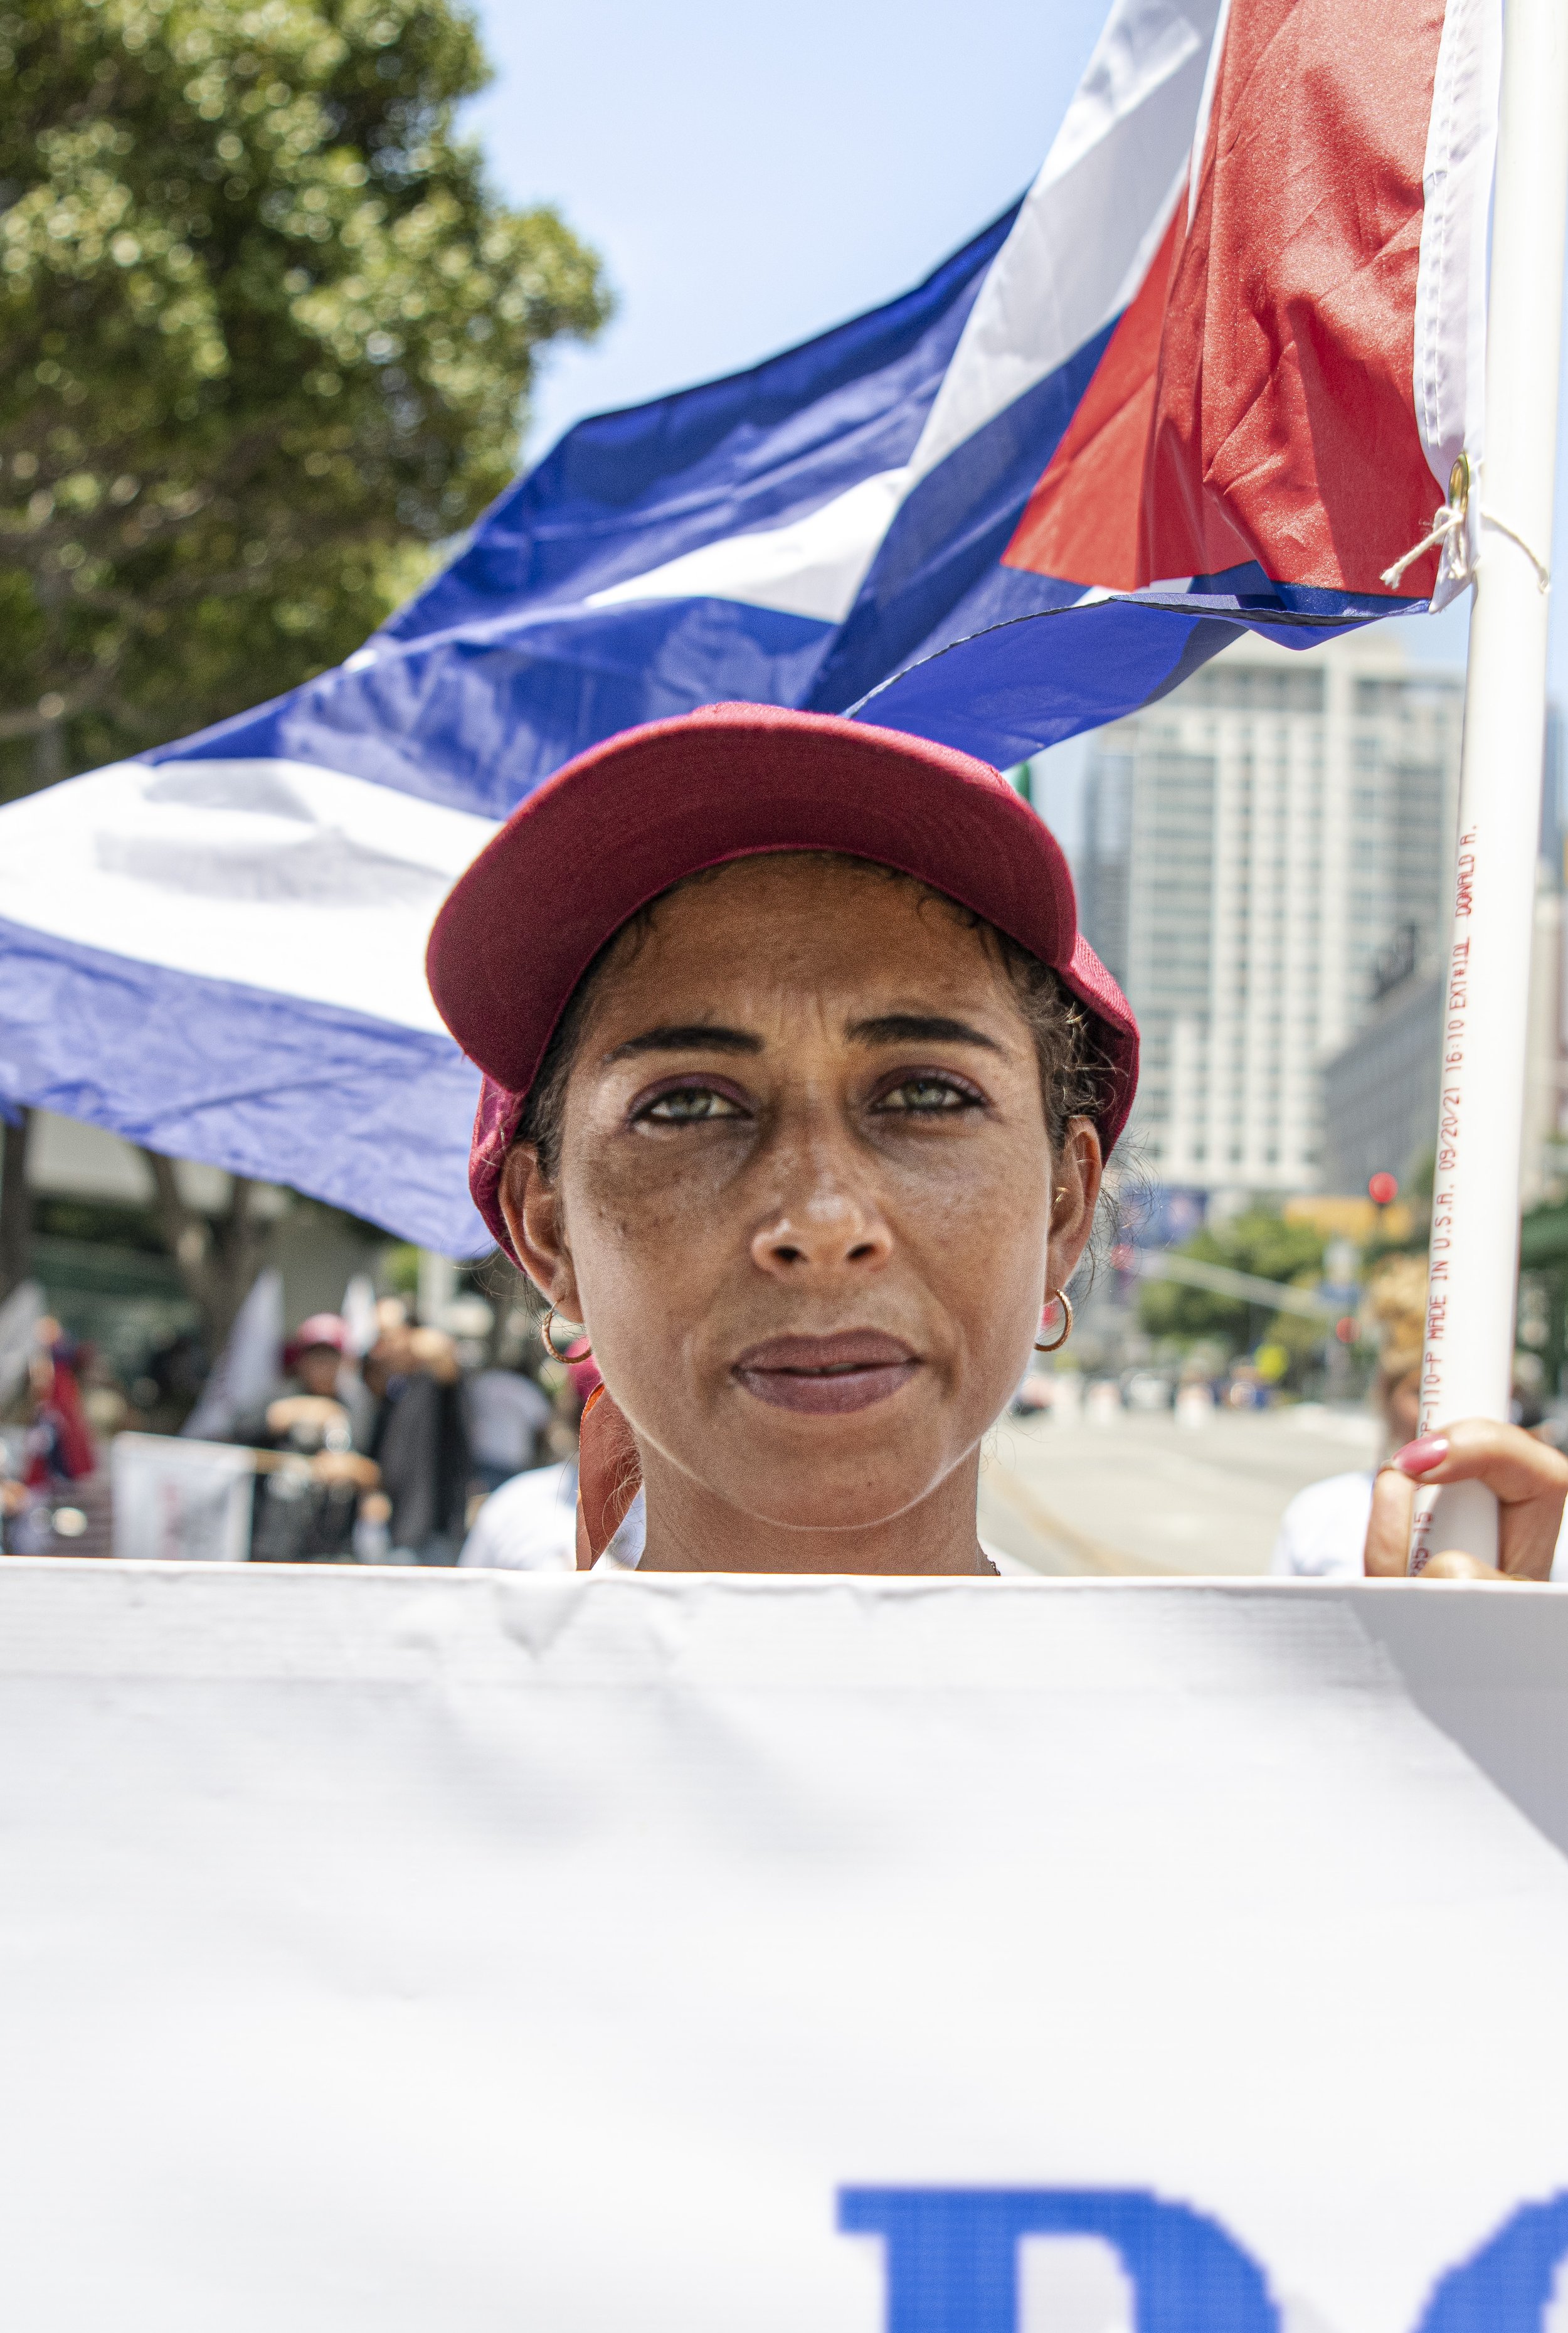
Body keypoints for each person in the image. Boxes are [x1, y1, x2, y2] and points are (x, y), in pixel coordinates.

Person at [426, 701, 1568, 1580]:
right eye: (685, 1104)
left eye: (925, 1093)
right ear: (545, 1224)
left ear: (1066, 1207)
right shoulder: (365, 1781)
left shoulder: (1287, 1778)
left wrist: (1460, 1750)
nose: (823, 1223)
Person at [231, 1313, 379, 1562]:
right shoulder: (280, 1395)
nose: (322, 1365)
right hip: (277, 1539)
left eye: (329, 1356)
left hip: (334, 1542)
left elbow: (379, 1469)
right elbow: (236, 1433)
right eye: (315, 1356)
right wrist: (285, 1414)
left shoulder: (359, 1407)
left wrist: (353, 1469)